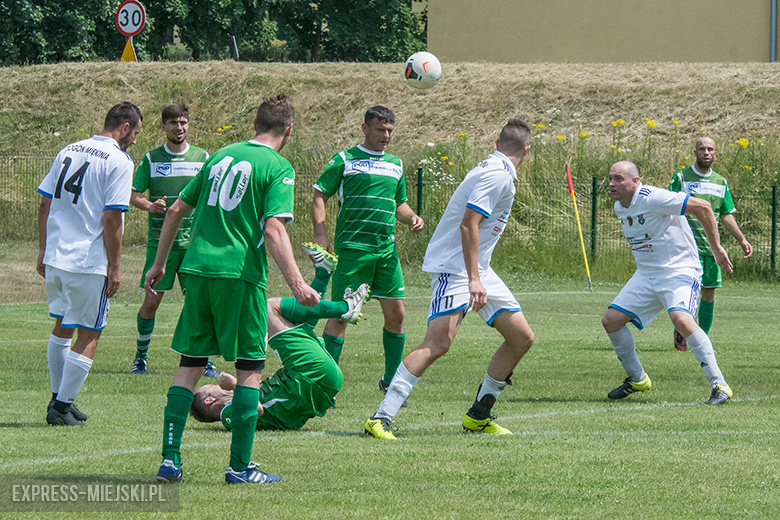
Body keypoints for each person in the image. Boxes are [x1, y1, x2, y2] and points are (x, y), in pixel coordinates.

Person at [146, 94, 320, 485]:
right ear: (288, 129)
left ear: (256, 123)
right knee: (249, 370)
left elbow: (175, 210)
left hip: (196, 270)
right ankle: (239, 468)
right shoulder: (278, 166)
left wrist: (160, 264)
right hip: (238, 277)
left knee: (189, 366)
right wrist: (297, 283)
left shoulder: (220, 154)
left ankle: (170, 463)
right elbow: (274, 228)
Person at [364, 119, 535, 440]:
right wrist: (473, 280)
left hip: (478, 269)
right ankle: (380, 417)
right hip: (457, 268)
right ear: (527, 150)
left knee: (521, 337)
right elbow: (469, 224)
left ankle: (479, 415)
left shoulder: (496, 169)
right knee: (438, 343)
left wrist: (478, 276)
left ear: (497, 144)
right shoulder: (496, 174)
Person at [37, 102, 143, 426]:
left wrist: (42, 250)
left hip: (56, 256)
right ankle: (60, 407)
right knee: (90, 333)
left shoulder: (68, 150)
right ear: (124, 127)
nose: (135, 140)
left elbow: (45, 201)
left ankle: (61, 399)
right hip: (87, 261)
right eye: (136, 133)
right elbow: (112, 217)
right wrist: (115, 265)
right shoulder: (120, 160)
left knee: (63, 325)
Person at [311, 106, 424, 399]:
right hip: (353, 249)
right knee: (341, 315)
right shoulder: (345, 160)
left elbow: (399, 204)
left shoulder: (395, 164)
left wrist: (412, 217)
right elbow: (319, 194)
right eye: (380, 130)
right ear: (365, 128)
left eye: (390, 131)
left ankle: (390, 380)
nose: (386, 136)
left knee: (397, 314)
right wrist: (321, 234)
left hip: (386, 251)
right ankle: (326, 384)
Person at [191, 250, 369, 431]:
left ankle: (323, 274)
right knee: (267, 309)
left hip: (315, 382)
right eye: (212, 386)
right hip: (308, 377)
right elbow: (257, 409)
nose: (218, 384)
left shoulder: (236, 402)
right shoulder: (228, 416)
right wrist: (235, 384)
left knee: (295, 324)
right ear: (210, 400)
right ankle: (345, 307)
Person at [602, 160, 734, 405]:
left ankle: (720, 385)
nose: (611, 184)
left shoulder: (653, 197)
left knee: (681, 319)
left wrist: (716, 249)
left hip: (679, 271)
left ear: (635, 181)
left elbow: (703, 206)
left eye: (618, 179)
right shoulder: (621, 206)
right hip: (646, 274)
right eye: (610, 178)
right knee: (611, 320)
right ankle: (637, 378)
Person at [129, 104, 215, 376]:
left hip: (195, 245)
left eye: (183, 122)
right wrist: (149, 206)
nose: (179, 127)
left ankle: (204, 360)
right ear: (163, 127)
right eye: (173, 123)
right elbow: (133, 195)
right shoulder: (152, 158)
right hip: (160, 245)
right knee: (152, 302)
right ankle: (140, 357)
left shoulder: (203, 157)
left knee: (199, 304)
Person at [669, 137, 753, 351]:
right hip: (687, 248)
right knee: (688, 292)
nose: (706, 152)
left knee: (709, 292)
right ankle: (683, 332)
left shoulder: (720, 182)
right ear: (695, 152)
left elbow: (725, 215)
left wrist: (741, 239)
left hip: (712, 250)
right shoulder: (681, 178)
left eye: (710, 149)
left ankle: (701, 341)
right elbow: (670, 209)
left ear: (715, 153)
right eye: (702, 149)